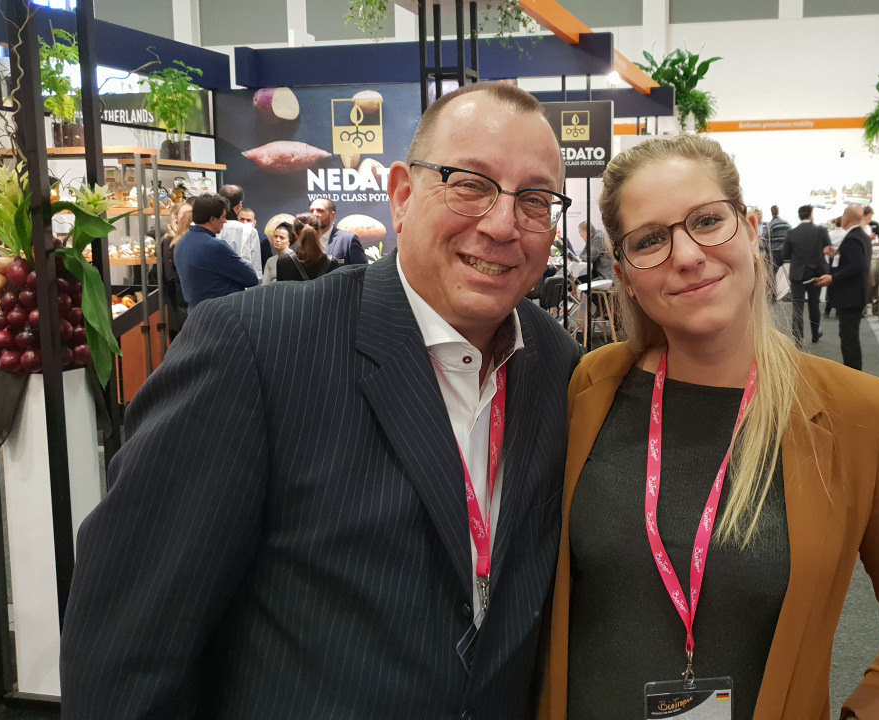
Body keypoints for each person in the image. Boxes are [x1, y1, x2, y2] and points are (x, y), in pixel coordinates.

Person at [61, 82, 581, 719]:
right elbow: (126, 650)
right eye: (469, 184)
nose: (502, 224)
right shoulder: (259, 347)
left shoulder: (557, 365)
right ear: (402, 195)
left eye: (534, 200)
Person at [541, 135, 879, 720]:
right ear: (625, 274)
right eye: (650, 240)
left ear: (749, 229)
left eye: (706, 221)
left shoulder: (862, 416)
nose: (686, 256)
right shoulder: (591, 387)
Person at [170, 194, 258, 307]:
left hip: (194, 310)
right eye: (223, 217)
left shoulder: (181, 242)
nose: (225, 221)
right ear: (212, 219)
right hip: (219, 311)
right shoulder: (215, 247)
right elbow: (251, 278)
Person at [814, 206, 872, 370]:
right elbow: (854, 262)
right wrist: (836, 254)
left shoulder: (853, 238)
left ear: (846, 218)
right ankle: (854, 372)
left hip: (851, 295)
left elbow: (857, 266)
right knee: (849, 335)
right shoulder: (861, 236)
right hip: (857, 294)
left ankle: (853, 374)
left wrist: (833, 278)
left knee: (849, 338)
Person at [780, 204, 830, 345]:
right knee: (814, 304)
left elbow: (785, 255)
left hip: (797, 274)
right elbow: (827, 248)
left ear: (799, 216)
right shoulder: (821, 231)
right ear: (811, 215)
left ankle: (797, 338)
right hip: (816, 273)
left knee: (797, 306)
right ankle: (815, 334)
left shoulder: (791, 232)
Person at [262, 222, 340, 283]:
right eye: (275, 236)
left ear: (294, 237)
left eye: (282, 237)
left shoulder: (283, 261)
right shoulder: (332, 262)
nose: (277, 240)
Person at [160, 201, 193, 337]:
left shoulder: (191, 238)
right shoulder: (170, 240)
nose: (188, 216)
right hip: (178, 295)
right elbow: (170, 274)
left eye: (190, 213)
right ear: (175, 217)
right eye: (183, 213)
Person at [216, 185, 262, 279]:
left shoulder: (209, 227)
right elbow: (256, 268)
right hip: (242, 283)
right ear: (240, 205)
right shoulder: (250, 231)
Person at [310, 197, 368, 267]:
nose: (314, 214)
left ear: (332, 215)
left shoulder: (348, 240)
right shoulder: (305, 240)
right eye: (311, 211)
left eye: (320, 211)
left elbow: (361, 269)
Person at [237, 206, 272, 271]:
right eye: (242, 219)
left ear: (254, 223)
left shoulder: (262, 239)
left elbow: (267, 263)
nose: (245, 222)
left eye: (248, 220)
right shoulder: (232, 236)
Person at [764, 204, 791, 273]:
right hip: (786, 252)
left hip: (774, 254)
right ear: (778, 211)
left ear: (771, 212)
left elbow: (766, 241)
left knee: (775, 274)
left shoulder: (770, 225)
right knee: (786, 274)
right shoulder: (786, 224)